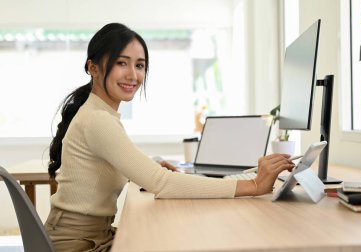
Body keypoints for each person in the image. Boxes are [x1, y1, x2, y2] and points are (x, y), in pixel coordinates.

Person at [44, 23, 295, 252]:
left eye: (139, 65)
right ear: (93, 68)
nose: (133, 74)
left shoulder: (100, 114)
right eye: (122, 63)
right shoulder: (98, 120)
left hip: (91, 237)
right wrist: (253, 186)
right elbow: (162, 184)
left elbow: (108, 164)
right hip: (77, 245)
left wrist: (148, 165)